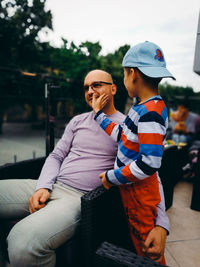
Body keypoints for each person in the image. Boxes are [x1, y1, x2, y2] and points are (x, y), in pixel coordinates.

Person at [0, 69, 168, 267]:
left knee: (23, 243)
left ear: (113, 89)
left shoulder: (127, 125)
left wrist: (161, 225)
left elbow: (150, 173)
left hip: (79, 198)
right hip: (52, 185)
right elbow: (56, 155)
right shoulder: (77, 121)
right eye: (86, 87)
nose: (90, 91)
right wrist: (43, 186)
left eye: (97, 85)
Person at [92, 42, 174, 265]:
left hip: (139, 193)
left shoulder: (150, 113)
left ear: (132, 73)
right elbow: (121, 135)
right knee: (139, 242)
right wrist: (99, 114)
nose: (124, 79)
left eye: (124, 73)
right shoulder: (142, 109)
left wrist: (112, 176)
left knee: (146, 249)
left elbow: (149, 164)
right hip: (133, 190)